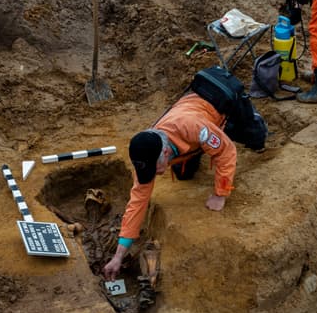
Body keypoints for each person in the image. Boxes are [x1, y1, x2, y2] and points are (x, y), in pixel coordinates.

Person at [101, 93, 236, 279]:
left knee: (253, 136)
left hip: (214, 107)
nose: (154, 174)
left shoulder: (194, 128)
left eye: (155, 167)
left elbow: (227, 151)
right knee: (184, 174)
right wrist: (118, 256)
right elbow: (136, 205)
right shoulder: (147, 153)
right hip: (187, 124)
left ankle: (242, 123)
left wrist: (220, 193)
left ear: (165, 152)